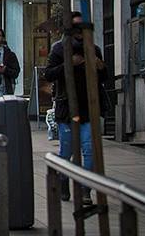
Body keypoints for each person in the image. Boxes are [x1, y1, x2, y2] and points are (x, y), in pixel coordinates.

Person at [42, 11, 108, 204]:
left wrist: (101, 67)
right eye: (76, 28)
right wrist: (68, 65)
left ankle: (85, 189)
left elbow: (104, 78)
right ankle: (63, 181)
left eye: (83, 28)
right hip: (68, 107)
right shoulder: (59, 49)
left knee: (88, 149)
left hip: (89, 107)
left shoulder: (93, 49)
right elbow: (49, 74)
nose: (80, 32)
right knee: (67, 150)